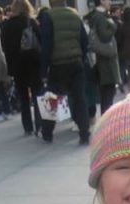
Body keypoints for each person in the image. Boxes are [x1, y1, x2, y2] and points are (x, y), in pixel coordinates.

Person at [37, 0, 91, 145]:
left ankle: (47, 132)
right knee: (80, 98)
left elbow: (47, 44)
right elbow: (84, 41)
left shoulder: (48, 16)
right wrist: (81, 56)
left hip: (58, 64)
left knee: (52, 97)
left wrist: (44, 70)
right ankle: (84, 132)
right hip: (76, 62)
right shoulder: (75, 15)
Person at [2, 0, 42, 136]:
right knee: (37, 94)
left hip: (17, 66)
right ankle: (39, 124)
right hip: (32, 63)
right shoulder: (31, 22)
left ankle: (27, 126)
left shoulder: (7, 25)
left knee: (23, 97)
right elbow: (40, 41)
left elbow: (5, 47)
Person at [85, 0, 120, 116]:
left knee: (106, 93)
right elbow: (105, 36)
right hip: (105, 60)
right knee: (107, 94)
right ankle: (107, 123)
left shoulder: (97, 16)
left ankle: (105, 120)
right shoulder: (100, 17)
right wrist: (113, 26)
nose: (110, 1)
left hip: (101, 60)